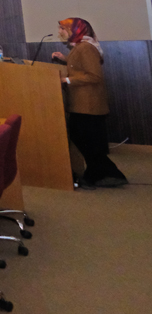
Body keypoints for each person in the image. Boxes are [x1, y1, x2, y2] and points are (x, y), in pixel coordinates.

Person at [52, 18, 126, 188]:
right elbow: (80, 66)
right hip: (82, 103)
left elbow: (94, 75)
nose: (60, 32)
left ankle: (102, 174)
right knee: (85, 140)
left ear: (75, 30)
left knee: (86, 140)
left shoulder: (86, 47)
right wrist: (65, 59)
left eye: (63, 28)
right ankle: (102, 173)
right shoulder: (80, 46)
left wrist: (67, 80)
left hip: (88, 104)